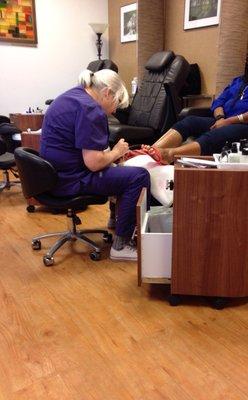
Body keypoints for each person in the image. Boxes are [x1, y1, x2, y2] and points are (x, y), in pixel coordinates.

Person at [40, 69, 150, 261]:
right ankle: (122, 245)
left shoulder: (72, 96)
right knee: (138, 176)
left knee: (119, 172)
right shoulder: (91, 109)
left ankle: (116, 222)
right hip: (70, 180)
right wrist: (117, 152)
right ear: (107, 92)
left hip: (52, 176)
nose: (115, 110)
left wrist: (111, 157)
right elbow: (93, 164)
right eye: (116, 103)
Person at [145, 67, 248, 164]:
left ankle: (169, 155)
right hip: (223, 120)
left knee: (218, 134)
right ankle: (149, 152)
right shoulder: (238, 81)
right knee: (190, 121)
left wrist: (228, 121)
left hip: (243, 124)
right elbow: (219, 102)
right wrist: (220, 118)